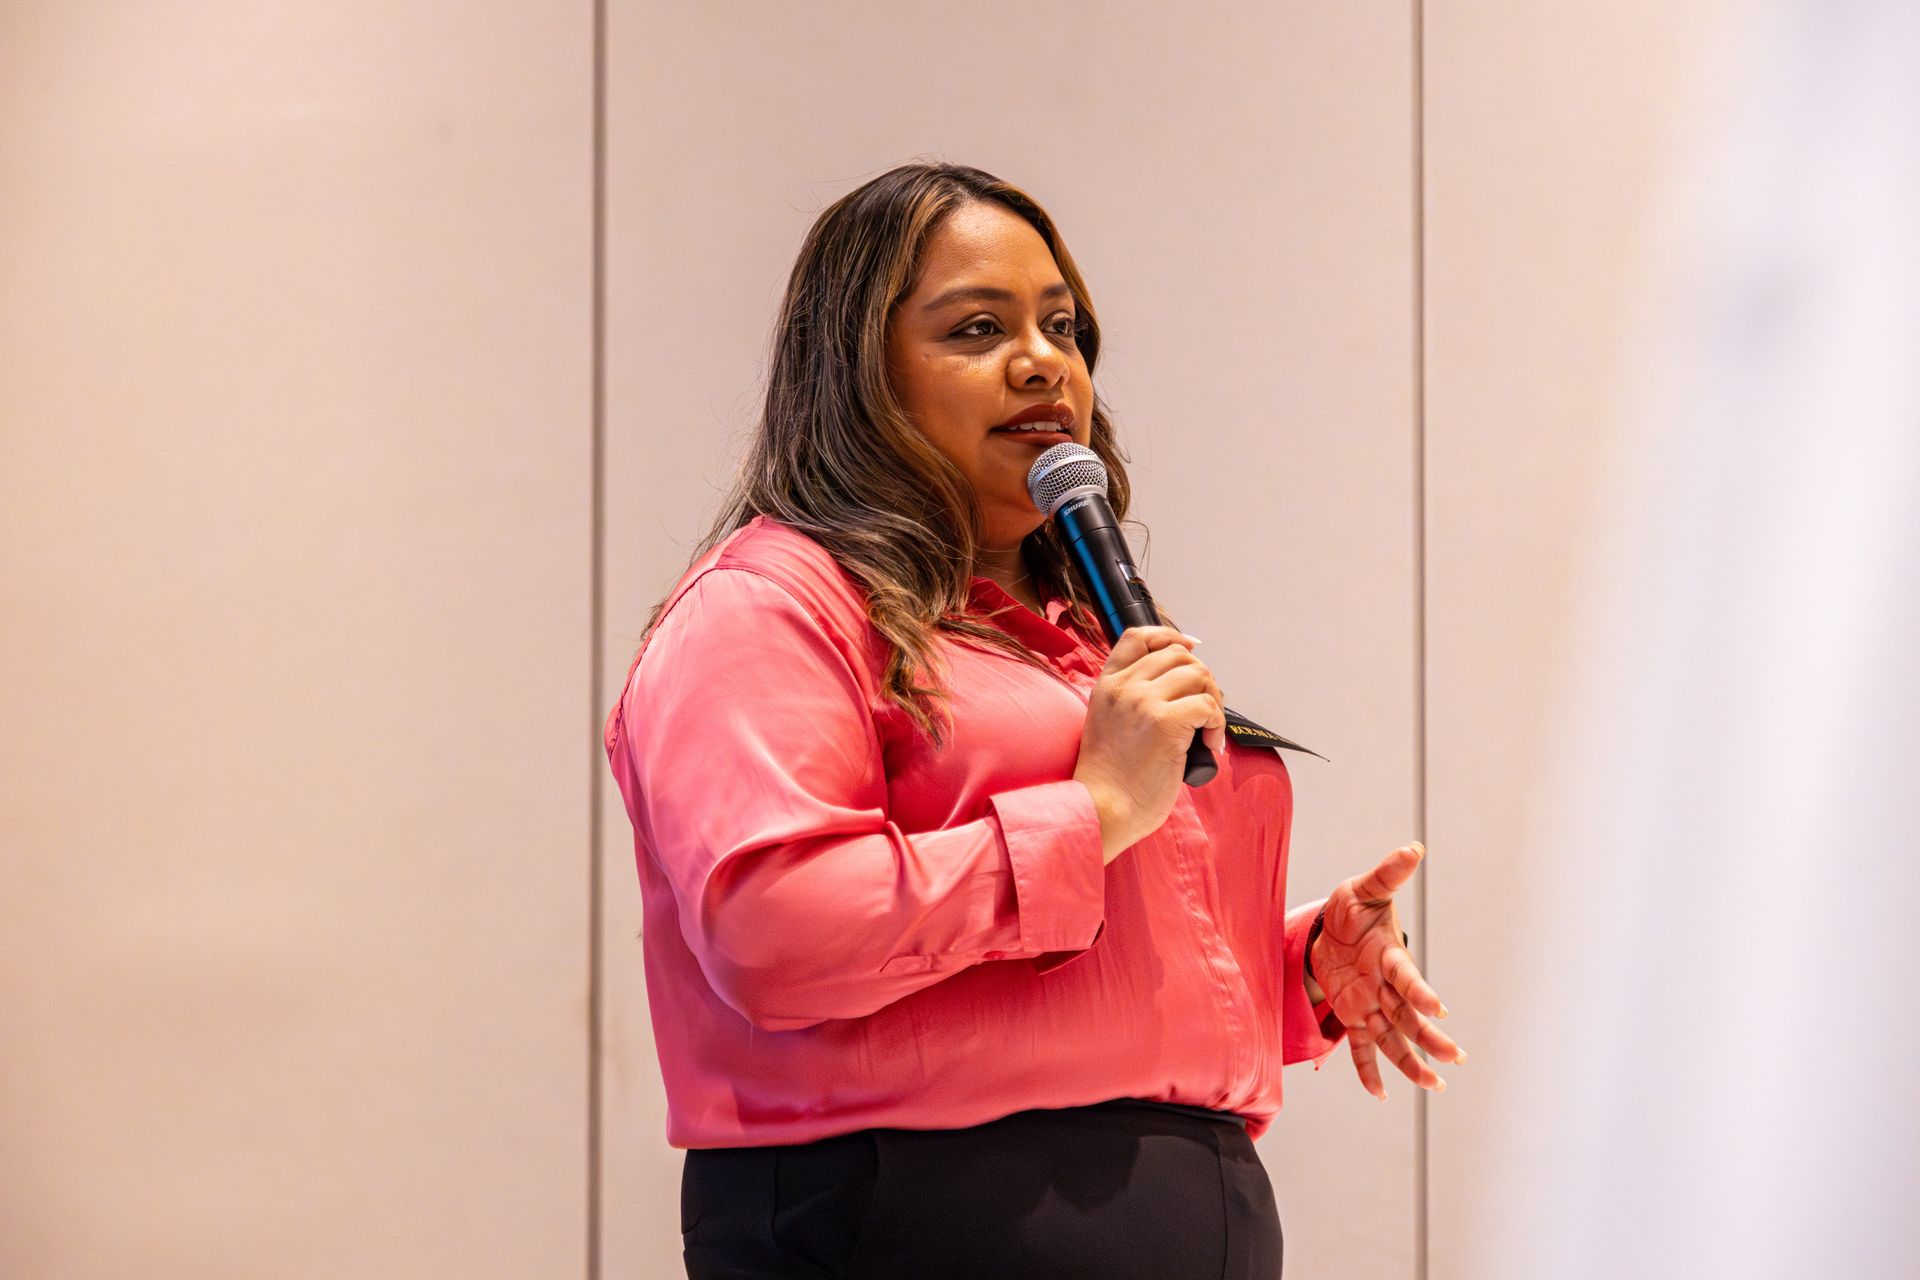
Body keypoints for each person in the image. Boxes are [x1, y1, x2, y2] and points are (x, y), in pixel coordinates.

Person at [602, 162, 1466, 1280]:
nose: (1043, 360)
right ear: (857, 372)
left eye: (1062, 326)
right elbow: (776, 929)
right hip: (901, 1221)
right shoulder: (769, 605)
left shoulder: (1075, 633)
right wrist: (1094, 806)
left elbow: (1064, 968)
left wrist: (1291, 971)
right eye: (975, 326)